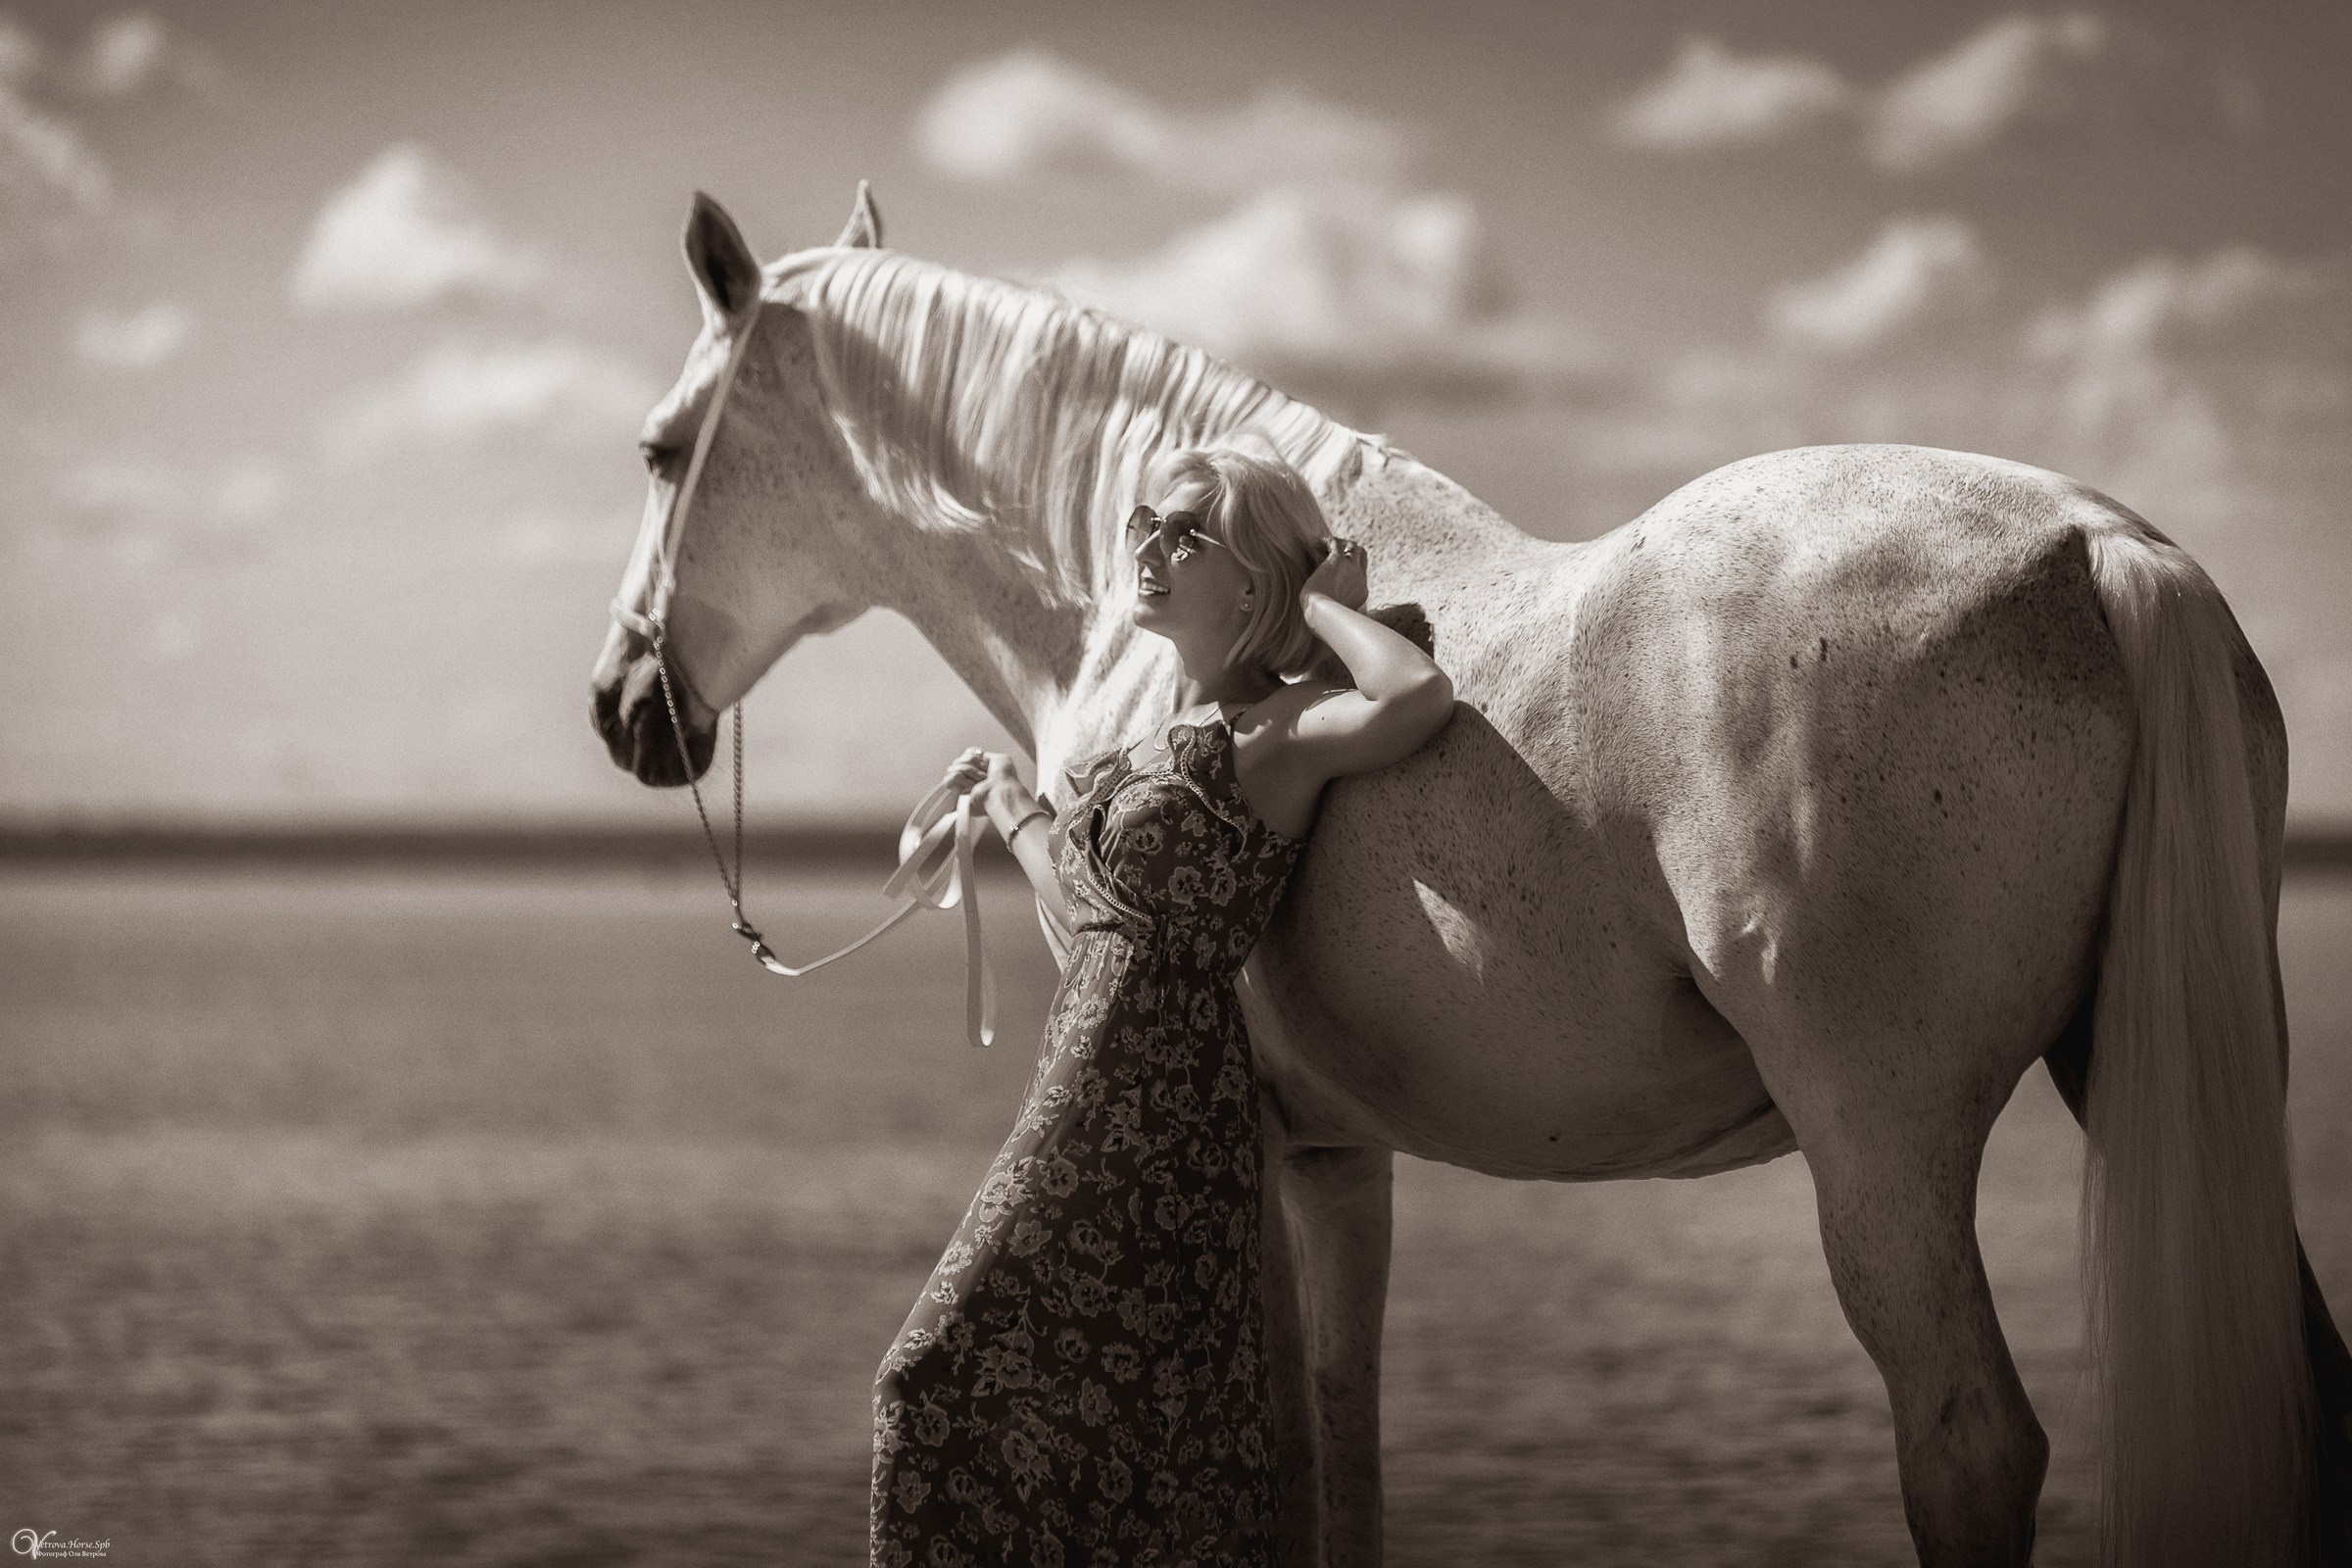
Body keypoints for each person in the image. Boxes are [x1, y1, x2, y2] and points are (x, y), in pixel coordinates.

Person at [870, 432, 1454, 1567]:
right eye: (1146, 522)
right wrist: (1014, 807)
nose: (1148, 546)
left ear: (1251, 582)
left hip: (1163, 1107)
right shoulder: (1152, 746)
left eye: (1188, 535)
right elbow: (1100, 918)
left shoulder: (1276, 732)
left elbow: (1418, 695)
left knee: (932, 1380)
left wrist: (1322, 609)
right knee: (1115, 1431)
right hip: (1090, 1086)